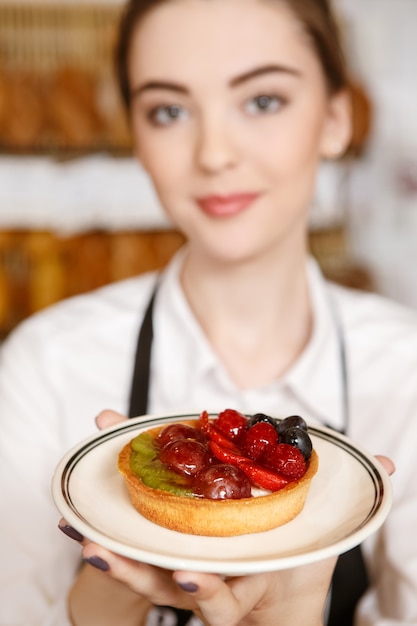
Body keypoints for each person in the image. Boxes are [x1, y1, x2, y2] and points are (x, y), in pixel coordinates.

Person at [0, 0, 414, 624]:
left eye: (262, 100)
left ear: (336, 118)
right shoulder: (47, 367)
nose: (214, 154)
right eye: (169, 111)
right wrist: (107, 599)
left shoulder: (407, 373)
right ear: (137, 137)